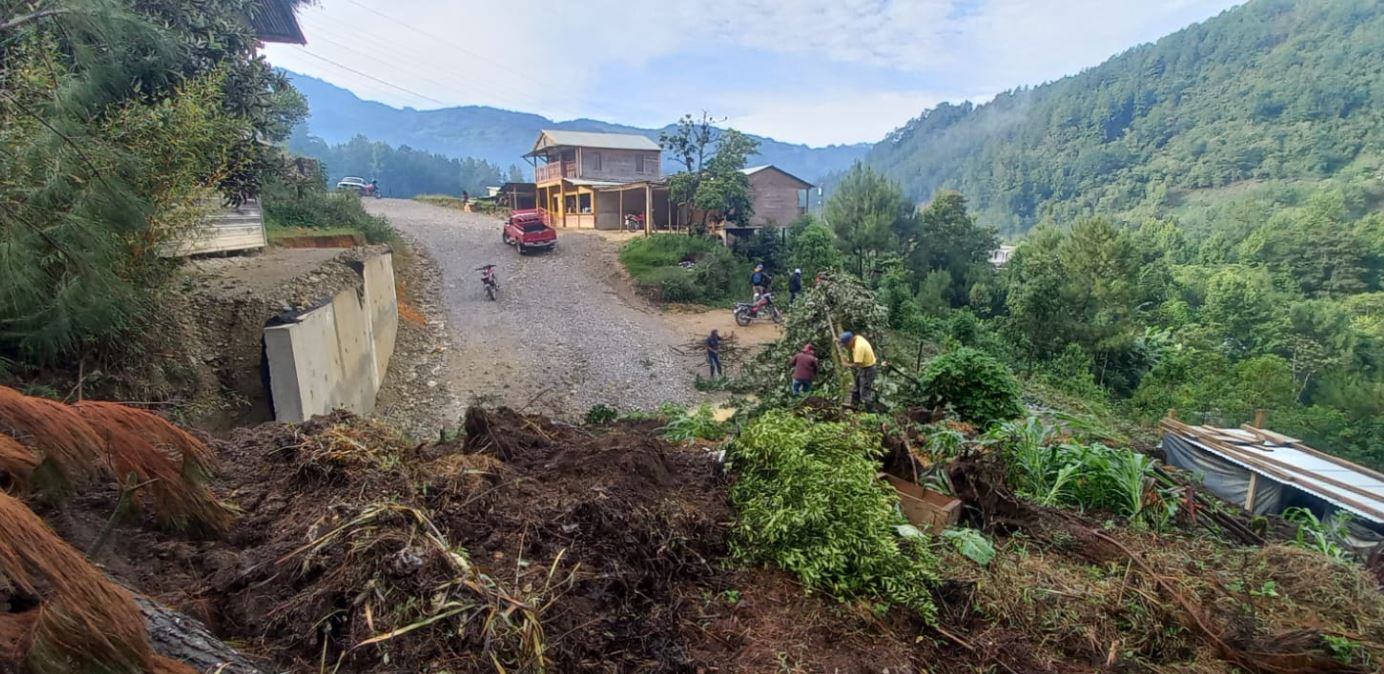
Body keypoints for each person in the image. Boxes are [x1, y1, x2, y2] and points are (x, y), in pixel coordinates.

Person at [839, 331, 878, 409]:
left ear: (850, 341)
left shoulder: (859, 347)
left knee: (864, 391)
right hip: (863, 367)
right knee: (856, 386)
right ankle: (854, 405)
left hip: (868, 369)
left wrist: (846, 365)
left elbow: (857, 364)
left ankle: (870, 411)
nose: (846, 347)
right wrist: (838, 340)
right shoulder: (857, 338)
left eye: (846, 345)